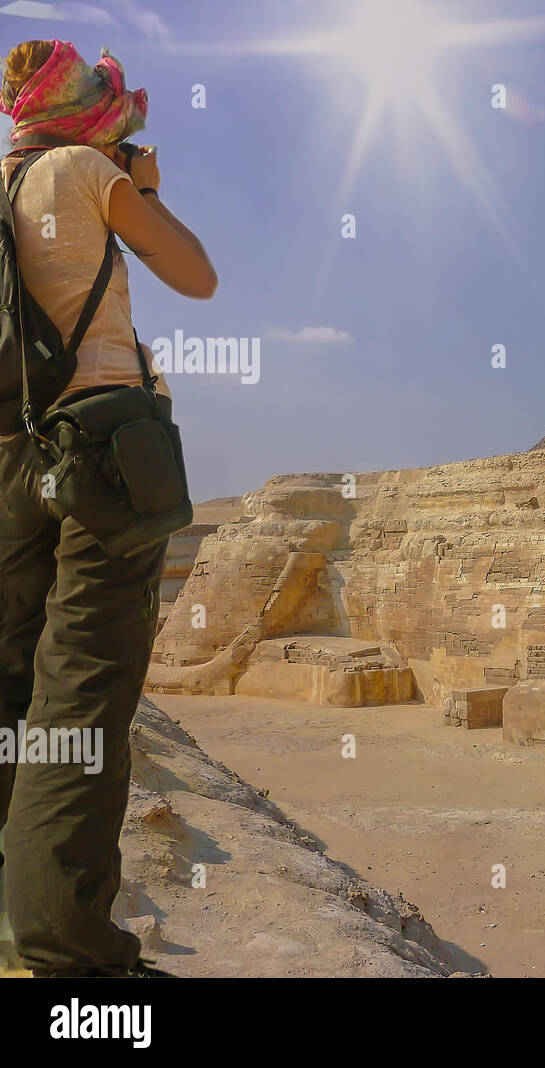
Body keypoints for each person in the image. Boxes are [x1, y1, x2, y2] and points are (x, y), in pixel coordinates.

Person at [0, 39, 217, 977]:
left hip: (9, 467)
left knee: (13, 697)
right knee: (79, 700)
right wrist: (146, 192)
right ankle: (71, 966)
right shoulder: (84, 171)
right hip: (100, 456)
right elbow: (197, 276)